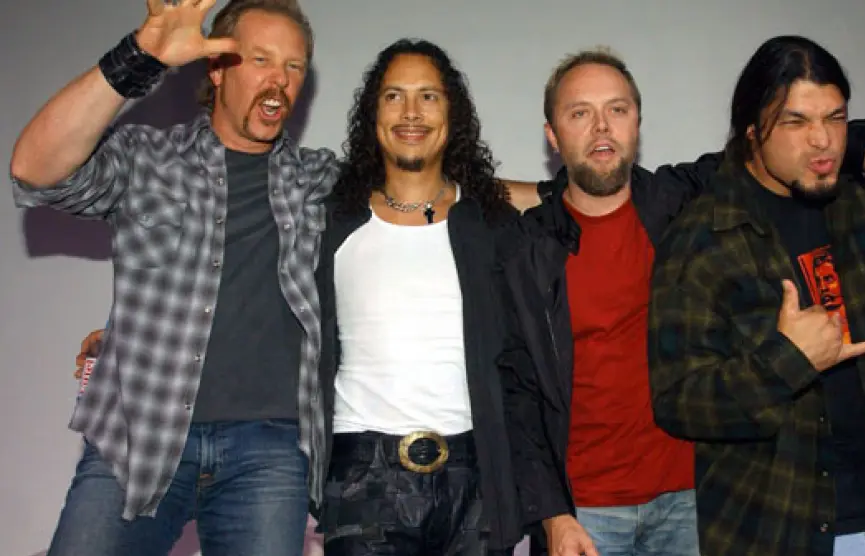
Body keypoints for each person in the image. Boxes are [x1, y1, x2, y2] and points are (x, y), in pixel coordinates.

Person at [495, 47, 865, 556]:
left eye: (617, 109)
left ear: (638, 122)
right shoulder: (527, 249)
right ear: (553, 134)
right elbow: (519, 393)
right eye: (579, 113)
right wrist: (552, 514)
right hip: (586, 512)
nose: (602, 127)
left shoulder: (681, 200)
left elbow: (787, 139)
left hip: (696, 502)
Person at [10, 1, 335, 554]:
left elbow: (428, 196)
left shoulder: (320, 180)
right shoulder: (147, 157)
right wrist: (140, 55)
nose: (280, 79)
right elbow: (33, 169)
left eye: (294, 66)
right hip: (136, 434)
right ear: (218, 68)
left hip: (270, 450)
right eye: (260, 59)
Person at [648, 35, 865, 556]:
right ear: (752, 130)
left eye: (835, 118)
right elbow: (678, 403)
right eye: (796, 122)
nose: (823, 140)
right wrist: (787, 362)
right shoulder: (702, 238)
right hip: (778, 532)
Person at [313, 39, 524, 555]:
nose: (411, 112)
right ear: (374, 114)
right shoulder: (329, 222)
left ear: (453, 113)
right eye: (394, 96)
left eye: (428, 96)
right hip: (361, 477)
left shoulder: (492, 225)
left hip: (478, 480)